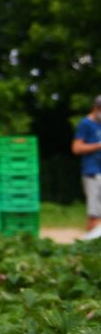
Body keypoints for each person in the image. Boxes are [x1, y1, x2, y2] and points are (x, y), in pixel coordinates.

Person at [72, 96, 101, 241]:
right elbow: (76, 148)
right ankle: (89, 246)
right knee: (94, 214)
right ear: (96, 109)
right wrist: (98, 145)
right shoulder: (85, 124)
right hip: (92, 172)